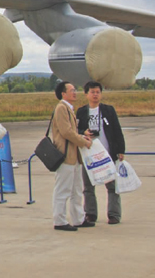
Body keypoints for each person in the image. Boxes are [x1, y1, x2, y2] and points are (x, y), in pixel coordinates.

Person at [76, 81, 126, 225]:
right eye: (92, 92)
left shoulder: (108, 110)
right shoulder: (81, 111)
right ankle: (90, 213)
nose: (95, 95)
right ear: (86, 94)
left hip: (107, 153)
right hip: (89, 154)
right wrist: (82, 132)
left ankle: (114, 214)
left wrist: (121, 150)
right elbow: (75, 130)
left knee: (112, 186)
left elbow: (117, 130)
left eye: (98, 92)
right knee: (88, 187)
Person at [51, 80, 92, 231]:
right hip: (66, 155)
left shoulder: (69, 109)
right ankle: (59, 220)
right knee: (63, 190)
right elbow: (66, 132)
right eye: (72, 90)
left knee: (76, 189)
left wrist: (82, 137)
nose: (75, 92)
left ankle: (78, 219)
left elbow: (71, 132)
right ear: (63, 94)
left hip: (74, 156)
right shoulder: (61, 108)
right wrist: (83, 141)